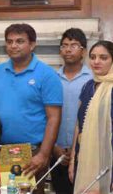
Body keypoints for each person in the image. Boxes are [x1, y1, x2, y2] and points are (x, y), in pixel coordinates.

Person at [0, 23, 63, 194]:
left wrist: (43, 154)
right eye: (10, 41)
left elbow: (54, 118)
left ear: (32, 44)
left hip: (31, 153)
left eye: (20, 41)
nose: (13, 46)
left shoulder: (47, 75)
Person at [52, 28, 92, 194]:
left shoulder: (92, 78)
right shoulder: (52, 78)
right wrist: (54, 147)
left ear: (83, 51)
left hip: (85, 152)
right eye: (64, 45)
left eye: (74, 45)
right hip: (56, 151)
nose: (68, 49)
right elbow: (45, 116)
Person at [70, 40, 113, 194]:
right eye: (93, 57)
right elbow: (78, 124)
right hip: (84, 159)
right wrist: (73, 159)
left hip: (108, 160)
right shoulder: (88, 86)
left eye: (103, 57)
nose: (96, 62)